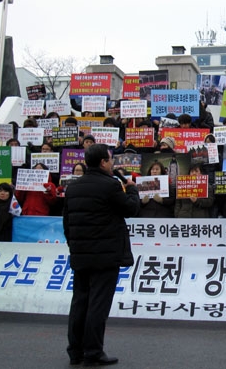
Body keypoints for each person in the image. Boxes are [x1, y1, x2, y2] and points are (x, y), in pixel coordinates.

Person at [63, 143, 139, 366]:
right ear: (103, 162)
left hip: (80, 254)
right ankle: (93, 352)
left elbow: (67, 222)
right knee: (98, 305)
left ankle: (75, 351)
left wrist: (75, 246)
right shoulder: (111, 186)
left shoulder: (73, 187)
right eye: (110, 159)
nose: (112, 163)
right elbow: (131, 208)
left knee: (80, 303)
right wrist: (132, 188)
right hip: (105, 256)